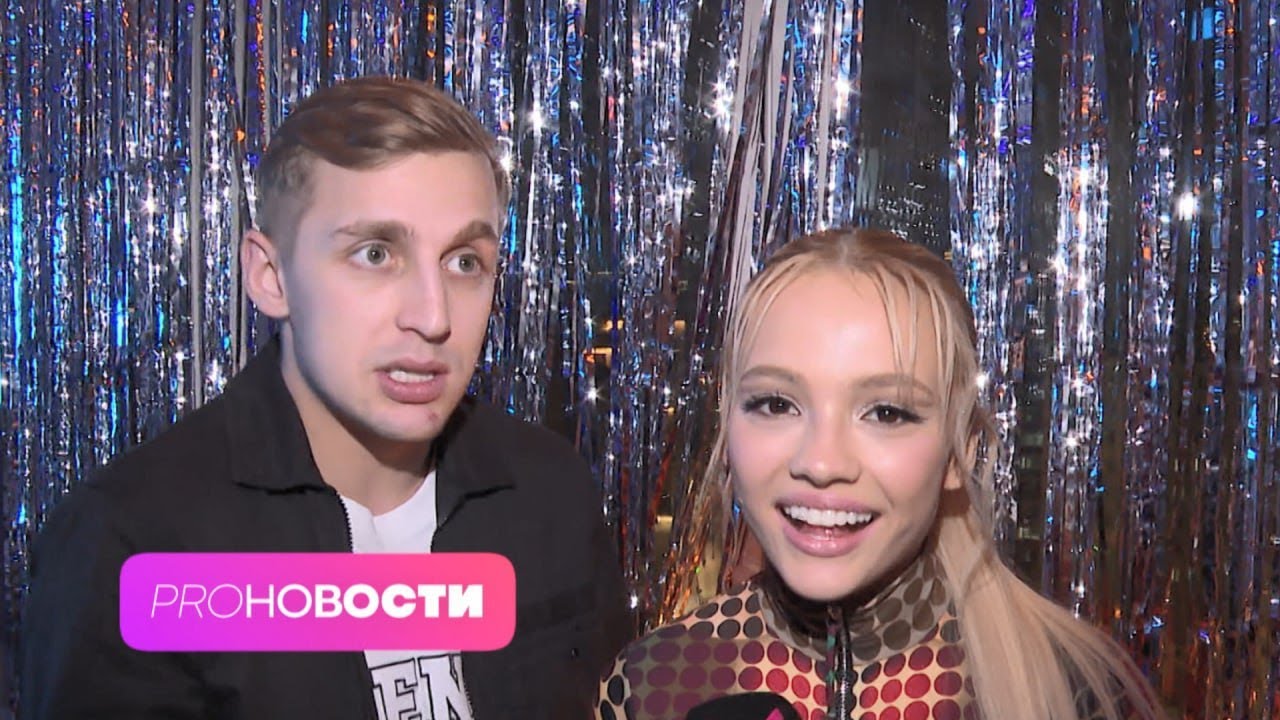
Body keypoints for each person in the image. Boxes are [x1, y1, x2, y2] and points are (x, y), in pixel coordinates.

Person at [21, 76, 631, 720]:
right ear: (270, 277)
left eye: (464, 262)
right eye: (376, 254)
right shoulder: (137, 543)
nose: (433, 317)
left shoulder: (549, 489)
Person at [597, 228, 1164, 720]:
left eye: (887, 413)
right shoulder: (652, 685)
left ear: (959, 453)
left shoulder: (1081, 690)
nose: (821, 463)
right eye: (775, 404)